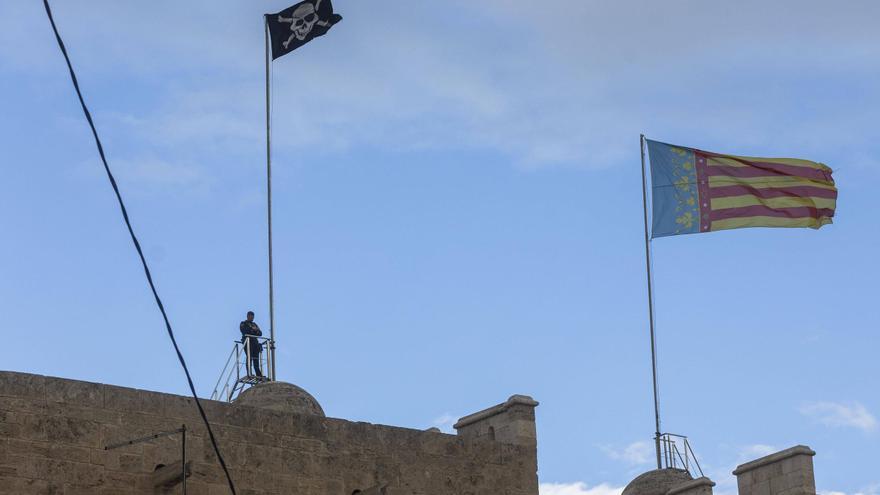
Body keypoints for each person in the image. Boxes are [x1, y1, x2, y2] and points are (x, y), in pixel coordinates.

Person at [239, 311, 263, 378]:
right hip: (248, 343)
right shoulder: (243, 323)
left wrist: (253, 330)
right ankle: (249, 373)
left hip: (255, 343)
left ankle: (258, 374)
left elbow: (260, 333)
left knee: (256, 359)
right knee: (249, 358)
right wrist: (253, 329)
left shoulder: (254, 324)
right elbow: (244, 331)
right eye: (251, 316)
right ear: (248, 316)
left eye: (253, 317)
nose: (252, 318)